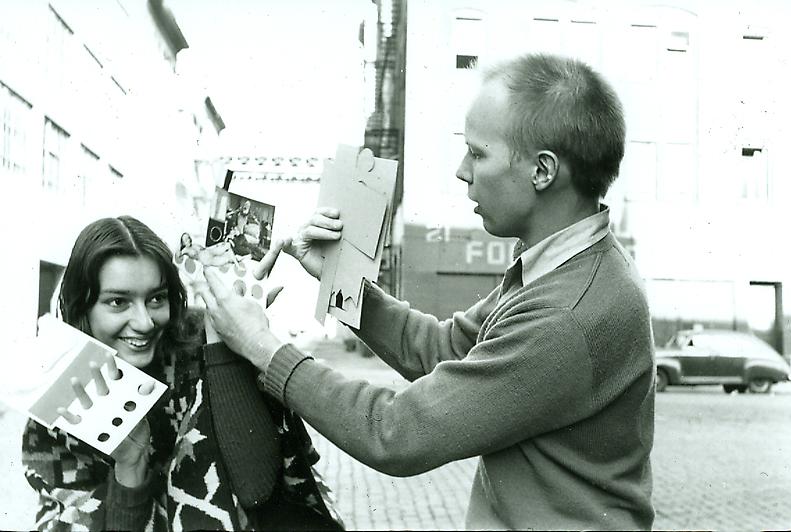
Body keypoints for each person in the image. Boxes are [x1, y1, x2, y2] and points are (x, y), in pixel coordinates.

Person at [201, 53, 656, 530]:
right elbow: (443, 349)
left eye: (478, 153)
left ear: (543, 171)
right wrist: (341, 279)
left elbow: (397, 433)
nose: (462, 171)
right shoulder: (558, 265)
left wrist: (260, 345)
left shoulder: (566, 310)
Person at [22, 216, 344, 531]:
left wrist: (229, 349)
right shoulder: (63, 406)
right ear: (82, 308)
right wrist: (130, 468)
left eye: (156, 298)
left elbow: (258, 489)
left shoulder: (206, 347)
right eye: (118, 302)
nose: (145, 322)